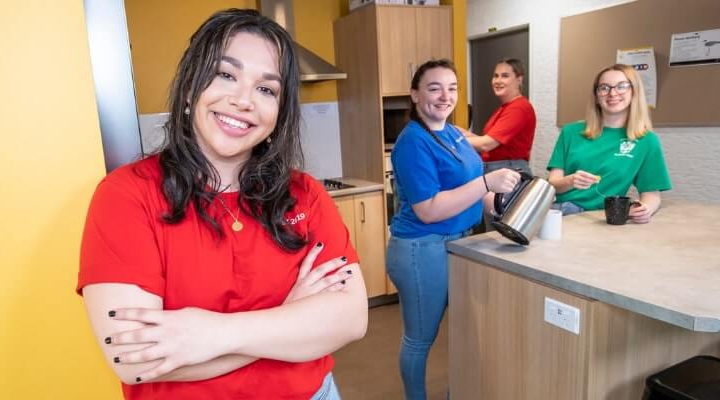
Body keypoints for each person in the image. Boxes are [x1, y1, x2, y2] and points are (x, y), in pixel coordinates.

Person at [76, 9, 368, 400]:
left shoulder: (306, 194)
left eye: (267, 89)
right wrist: (290, 316)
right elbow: (135, 359)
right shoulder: (127, 195)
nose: (243, 100)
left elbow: (350, 319)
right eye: (225, 74)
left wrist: (211, 334)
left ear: (279, 115)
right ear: (189, 87)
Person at [386, 59, 520, 400]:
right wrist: (487, 182)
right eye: (434, 88)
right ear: (415, 95)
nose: (445, 96)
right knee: (420, 338)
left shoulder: (455, 133)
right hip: (422, 248)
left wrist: (504, 205)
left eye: (452, 88)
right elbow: (429, 210)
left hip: (461, 244)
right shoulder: (413, 142)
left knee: (463, 333)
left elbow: (474, 187)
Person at [546, 64, 671, 221]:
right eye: (604, 88)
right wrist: (570, 181)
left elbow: (652, 194)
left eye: (622, 86)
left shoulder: (647, 141)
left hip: (604, 219)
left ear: (634, 93)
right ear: (597, 96)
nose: (612, 93)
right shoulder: (570, 132)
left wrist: (645, 209)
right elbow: (552, 185)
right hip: (560, 213)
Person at [461, 58, 537, 175]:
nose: (498, 80)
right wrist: (459, 133)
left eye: (505, 76)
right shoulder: (505, 108)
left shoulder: (519, 108)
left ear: (519, 79)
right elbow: (493, 143)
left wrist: (454, 140)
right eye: (496, 76)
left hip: (508, 171)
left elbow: (486, 144)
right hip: (498, 169)